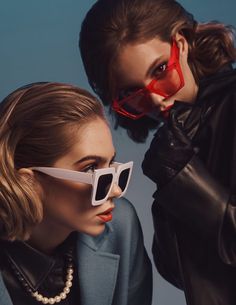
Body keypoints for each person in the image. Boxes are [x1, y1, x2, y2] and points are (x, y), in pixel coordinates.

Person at [79, 0, 236, 304]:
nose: (156, 99)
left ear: (182, 43)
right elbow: (178, 271)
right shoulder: (179, 139)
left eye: (161, 70)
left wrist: (184, 179)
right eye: (131, 94)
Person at [0, 82, 152, 305]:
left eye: (111, 165)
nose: (116, 190)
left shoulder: (121, 225)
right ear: (29, 181)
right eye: (90, 169)